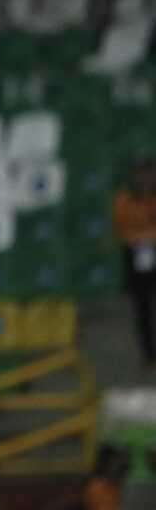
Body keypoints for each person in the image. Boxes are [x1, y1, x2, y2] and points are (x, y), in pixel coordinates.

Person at [114, 155, 156, 372]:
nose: (143, 176)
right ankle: (148, 356)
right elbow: (121, 226)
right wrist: (139, 236)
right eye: (139, 171)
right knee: (142, 307)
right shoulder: (124, 199)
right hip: (136, 254)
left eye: (146, 171)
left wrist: (151, 235)